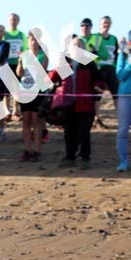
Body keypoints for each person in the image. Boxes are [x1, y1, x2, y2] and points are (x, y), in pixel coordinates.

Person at [50, 37, 105, 170]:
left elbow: (99, 80)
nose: (77, 46)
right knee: (69, 131)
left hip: (85, 104)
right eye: (74, 44)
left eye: (80, 44)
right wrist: (58, 66)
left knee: (84, 132)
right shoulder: (65, 62)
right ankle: (70, 157)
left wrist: (98, 87)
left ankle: (85, 158)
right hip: (67, 104)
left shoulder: (89, 63)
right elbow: (52, 78)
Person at [16, 32, 49, 162]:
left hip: (38, 91)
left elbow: (43, 72)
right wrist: (20, 61)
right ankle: (27, 150)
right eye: (31, 40)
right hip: (25, 90)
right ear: (28, 41)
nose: (34, 42)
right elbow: (19, 73)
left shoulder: (43, 55)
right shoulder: (24, 55)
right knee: (26, 120)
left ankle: (37, 150)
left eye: (36, 40)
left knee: (36, 120)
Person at [4, 14, 26, 120]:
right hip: (6, 63)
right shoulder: (5, 34)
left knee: (17, 88)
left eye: (15, 19)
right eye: (11, 19)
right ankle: (6, 110)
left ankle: (16, 110)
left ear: (18, 21)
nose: (13, 21)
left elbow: (25, 49)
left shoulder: (22, 35)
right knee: (5, 89)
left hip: (18, 64)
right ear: (9, 21)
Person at [117, 37, 130, 172]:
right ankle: (123, 161)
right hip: (125, 97)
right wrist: (129, 64)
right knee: (123, 130)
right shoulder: (123, 55)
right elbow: (120, 76)